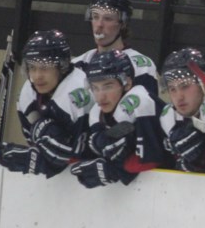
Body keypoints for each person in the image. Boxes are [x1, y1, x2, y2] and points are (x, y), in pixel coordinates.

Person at [0, 30, 92, 178]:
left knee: (44, 128)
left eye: (45, 68)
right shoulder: (28, 94)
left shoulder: (78, 93)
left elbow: (76, 153)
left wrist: (32, 161)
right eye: (32, 68)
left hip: (94, 171)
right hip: (66, 181)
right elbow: (35, 143)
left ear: (62, 66)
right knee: (41, 128)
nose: (37, 76)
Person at [70, 49, 167, 189]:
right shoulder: (96, 113)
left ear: (127, 83)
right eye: (95, 88)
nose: (100, 97)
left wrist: (113, 170)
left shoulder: (140, 100)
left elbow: (151, 159)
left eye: (108, 86)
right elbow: (100, 150)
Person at [73, 0, 159, 98]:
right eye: (95, 17)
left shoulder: (141, 66)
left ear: (123, 23)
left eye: (108, 18)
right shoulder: (78, 64)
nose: (99, 24)